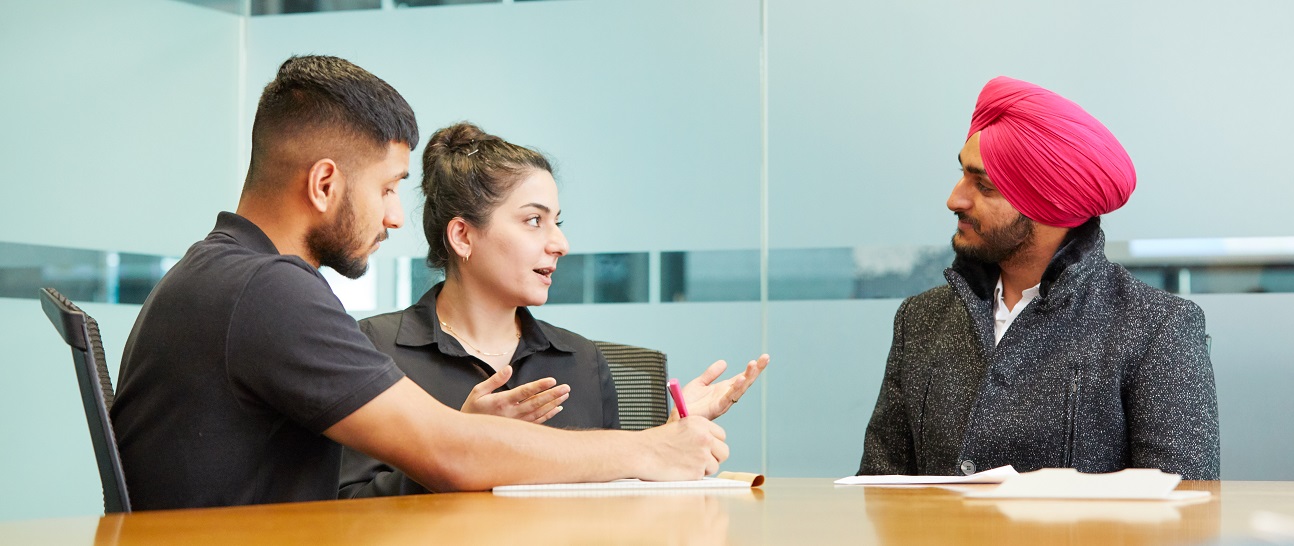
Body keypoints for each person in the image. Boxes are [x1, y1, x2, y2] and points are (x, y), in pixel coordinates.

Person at [110, 55, 728, 511]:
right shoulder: (266, 288)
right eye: (385, 188)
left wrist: (468, 433)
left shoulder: (218, 272)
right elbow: (449, 451)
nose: (397, 215)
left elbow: (445, 447)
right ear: (324, 184)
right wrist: (652, 451)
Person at [339, 122, 768, 498]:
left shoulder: (580, 360)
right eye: (533, 221)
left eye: (556, 222)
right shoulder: (372, 349)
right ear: (463, 236)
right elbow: (346, 510)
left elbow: (614, 507)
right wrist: (457, 442)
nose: (560, 244)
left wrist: (668, 437)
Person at [858, 76, 1219, 480]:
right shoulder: (920, 319)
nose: (955, 198)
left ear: (1047, 204)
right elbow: (880, 491)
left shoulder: (1157, 328)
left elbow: (1185, 513)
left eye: (984, 186)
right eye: (962, 174)